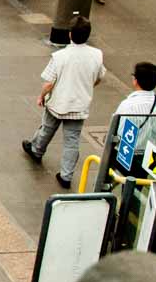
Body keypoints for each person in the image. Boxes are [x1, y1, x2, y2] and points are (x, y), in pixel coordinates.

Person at [22, 16, 104, 189]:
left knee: (47, 128)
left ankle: (36, 150)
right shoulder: (97, 55)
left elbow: (49, 82)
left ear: (69, 35)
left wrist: (41, 96)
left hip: (57, 103)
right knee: (72, 140)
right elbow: (98, 77)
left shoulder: (60, 56)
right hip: (79, 106)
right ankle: (66, 176)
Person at [110, 62, 156, 174]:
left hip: (125, 154)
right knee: (137, 187)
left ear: (135, 80)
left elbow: (117, 133)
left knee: (111, 182)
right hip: (148, 156)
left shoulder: (127, 105)